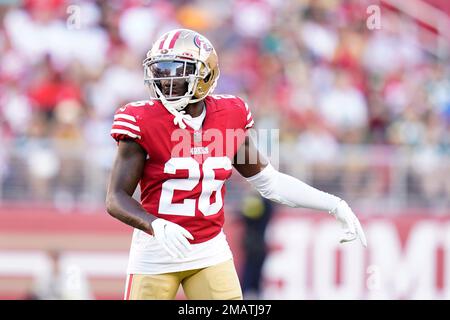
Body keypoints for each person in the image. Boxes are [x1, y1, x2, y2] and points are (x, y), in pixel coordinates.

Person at [106, 28, 366, 300]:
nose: (167, 81)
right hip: (156, 252)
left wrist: (333, 204)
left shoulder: (229, 116)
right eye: (161, 71)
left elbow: (271, 183)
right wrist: (155, 225)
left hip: (209, 250)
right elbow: (116, 198)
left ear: (205, 75)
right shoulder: (142, 120)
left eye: (177, 71)